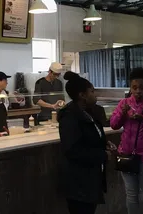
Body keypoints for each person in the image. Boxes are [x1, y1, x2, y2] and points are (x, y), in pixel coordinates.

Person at [57, 71, 112, 214]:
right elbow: (72, 150)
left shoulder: (89, 112)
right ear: (82, 95)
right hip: (78, 184)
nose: (95, 95)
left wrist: (104, 143)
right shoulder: (70, 117)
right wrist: (102, 155)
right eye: (92, 92)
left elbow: (90, 137)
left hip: (90, 181)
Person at [110, 68, 143, 214]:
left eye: (141, 88)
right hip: (127, 156)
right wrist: (122, 114)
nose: (138, 91)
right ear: (130, 88)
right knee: (131, 195)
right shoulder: (124, 103)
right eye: (134, 88)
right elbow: (114, 124)